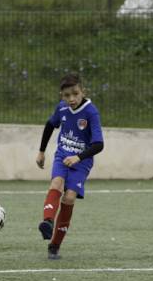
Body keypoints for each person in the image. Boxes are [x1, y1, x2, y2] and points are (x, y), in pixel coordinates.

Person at [36, 74, 104, 260]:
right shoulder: (62, 108)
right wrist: (41, 151)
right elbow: (50, 125)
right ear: (62, 96)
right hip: (62, 156)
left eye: (75, 93)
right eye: (67, 95)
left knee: (69, 198)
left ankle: (55, 245)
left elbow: (99, 144)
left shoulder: (91, 112)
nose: (71, 99)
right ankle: (48, 222)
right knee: (56, 183)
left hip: (81, 162)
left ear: (83, 92)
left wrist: (78, 157)